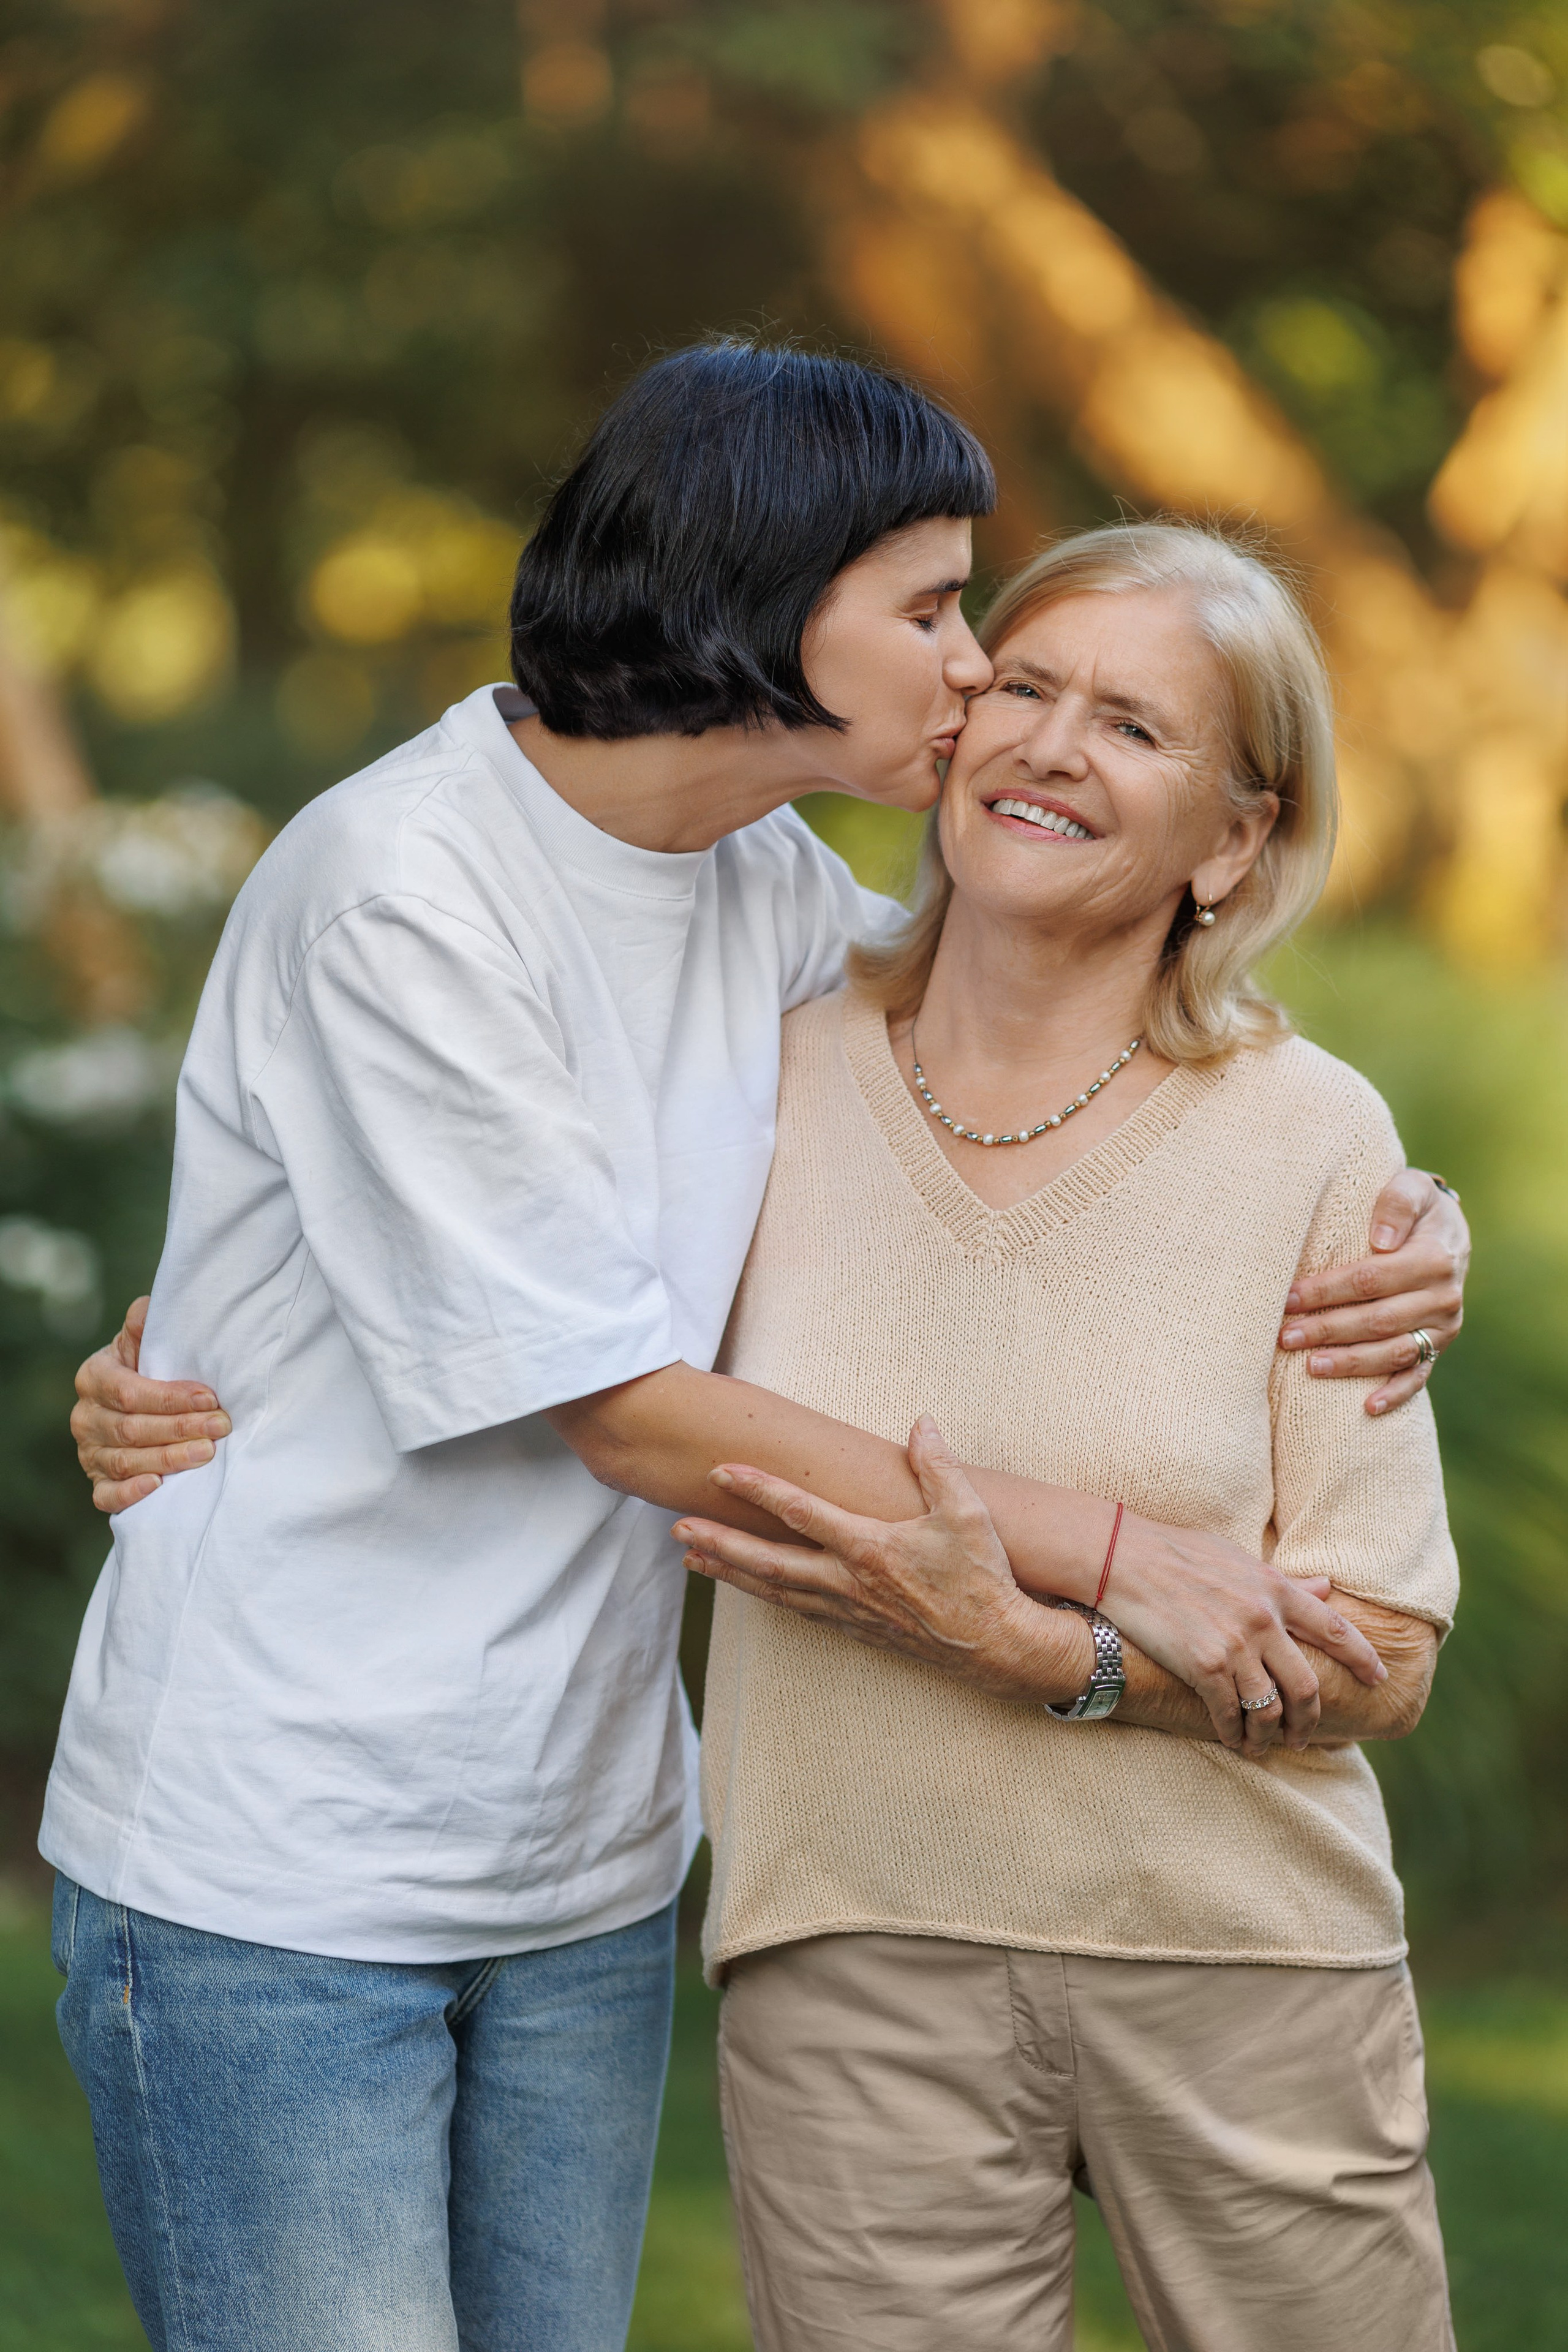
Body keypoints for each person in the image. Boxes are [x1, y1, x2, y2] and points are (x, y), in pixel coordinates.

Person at [57, 347, 1466, 2352]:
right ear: (754, 598)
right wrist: (1122, 1553)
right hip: (294, 1857)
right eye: (932, 611)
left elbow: (1048, 1026)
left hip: (583, 1862)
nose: (978, 673)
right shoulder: (404, 894)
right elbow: (622, 1410)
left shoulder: (775, 907)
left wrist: (1417, 1224)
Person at [675, 522, 1460, 2352]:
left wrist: (1056, 1659)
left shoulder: (1317, 1139)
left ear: (1238, 837)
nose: (1048, 745)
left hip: (1246, 1957)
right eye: (1021, 686)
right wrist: (181, 1386)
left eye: (1135, 727)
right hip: (846, 1951)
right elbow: (541, 1356)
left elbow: (1390, 1657)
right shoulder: (749, 1081)